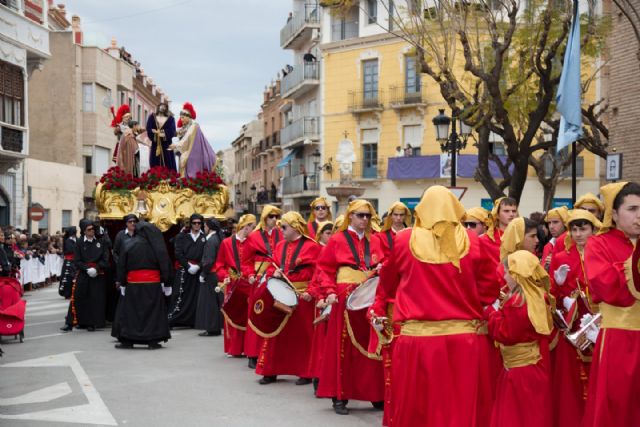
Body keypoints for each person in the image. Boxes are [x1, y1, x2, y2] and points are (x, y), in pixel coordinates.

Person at [377, 186, 492, 426]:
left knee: (416, 409)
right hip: (465, 341)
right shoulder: (472, 240)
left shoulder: (404, 240)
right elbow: (489, 288)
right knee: (461, 409)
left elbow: (388, 284)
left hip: (417, 342)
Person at [316, 199, 385, 415]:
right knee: (342, 347)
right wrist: (328, 292)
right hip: (344, 297)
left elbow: (383, 264)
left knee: (372, 344)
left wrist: (382, 268)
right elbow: (325, 269)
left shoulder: (375, 241)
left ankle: (375, 393)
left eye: (367, 215)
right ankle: (339, 395)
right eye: (360, 215)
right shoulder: (337, 240)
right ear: (350, 217)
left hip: (369, 295)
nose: (364, 219)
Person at [583, 182, 640, 427]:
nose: (639, 215)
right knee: (616, 406)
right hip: (619, 337)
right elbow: (604, 285)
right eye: (633, 208)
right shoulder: (599, 244)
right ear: (614, 214)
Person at [487, 250, 553, 427]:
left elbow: (505, 334)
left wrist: (492, 314)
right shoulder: (538, 296)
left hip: (520, 371)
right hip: (532, 364)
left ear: (517, 275)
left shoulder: (518, 303)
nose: (505, 276)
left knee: (517, 415)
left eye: (508, 272)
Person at [255, 211, 321, 385]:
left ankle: (305, 372)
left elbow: (319, 273)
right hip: (281, 294)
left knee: (303, 335)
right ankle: (270, 370)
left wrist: (312, 292)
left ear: (295, 227)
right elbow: (271, 267)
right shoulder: (280, 246)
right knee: (275, 333)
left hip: (302, 296)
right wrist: (273, 272)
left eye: (284, 227)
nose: (281, 230)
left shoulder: (312, 247)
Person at [548, 210, 601, 427]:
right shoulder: (561, 257)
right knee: (571, 384)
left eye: (583, 229)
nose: (579, 234)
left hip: (599, 325)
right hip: (573, 330)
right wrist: (558, 285)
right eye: (575, 230)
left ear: (593, 230)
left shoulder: (601, 255)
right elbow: (552, 298)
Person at [113, 221, 172, 349]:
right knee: (152, 313)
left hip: (133, 284)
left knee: (131, 313)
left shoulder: (128, 244)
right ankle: (152, 340)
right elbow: (165, 265)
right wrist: (166, 282)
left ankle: (128, 340)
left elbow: (121, 265)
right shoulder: (157, 246)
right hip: (153, 284)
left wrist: (122, 282)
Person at [242, 205, 283, 369]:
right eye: (271, 216)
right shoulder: (253, 236)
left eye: (277, 216)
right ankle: (252, 353)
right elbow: (246, 261)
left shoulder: (282, 234)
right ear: (265, 217)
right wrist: (250, 274)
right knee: (256, 313)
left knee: (275, 314)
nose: (274, 219)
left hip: (277, 278)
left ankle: (273, 354)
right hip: (259, 278)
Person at [216, 214, 256, 356]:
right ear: (245, 227)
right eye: (252, 227)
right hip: (232, 283)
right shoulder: (226, 243)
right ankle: (234, 348)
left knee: (247, 315)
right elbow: (219, 265)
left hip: (248, 284)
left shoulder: (253, 243)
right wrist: (225, 276)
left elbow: (254, 263)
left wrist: (252, 275)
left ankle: (247, 348)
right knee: (232, 314)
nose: (254, 230)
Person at [61, 220, 109, 332]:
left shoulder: (101, 242)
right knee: (77, 296)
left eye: (93, 229)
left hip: (97, 274)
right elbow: (76, 260)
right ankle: (70, 322)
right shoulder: (79, 243)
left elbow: (105, 259)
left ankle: (91, 323)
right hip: (83, 273)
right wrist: (87, 269)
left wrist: (96, 269)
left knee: (95, 299)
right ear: (84, 231)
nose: (92, 231)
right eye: (89, 229)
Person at [168, 214, 206, 328]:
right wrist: (188, 266)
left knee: (195, 295)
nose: (197, 225)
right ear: (191, 223)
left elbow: (207, 255)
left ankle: (192, 320)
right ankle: (174, 319)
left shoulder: (204, 238)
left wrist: (199, 266)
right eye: (194, 223)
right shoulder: (182, 236)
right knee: (179, 294)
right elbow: (178, 253)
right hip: (184, 269)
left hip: (198, 270)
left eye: (199, 223)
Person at [169, 102, 216, 178]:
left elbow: (186, 138)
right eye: (181, 117)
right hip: (189, 150)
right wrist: (164, 133)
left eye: (183, 117)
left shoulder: (194, 126)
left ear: (188, 117)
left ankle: (188, 180)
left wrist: (176, 145)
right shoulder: (185, 127)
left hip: (196, 152)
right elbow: (175, 133)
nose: (181, 120)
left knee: (183, 158)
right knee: (182, 157)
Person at [195, 218, 224, 336]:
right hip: (216, 274)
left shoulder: (211, 241)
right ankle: (215, 327)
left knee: (210, 303)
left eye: (205, 226)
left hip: (211, 274)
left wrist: (203, 273)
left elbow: (209, 260)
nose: (204, 228)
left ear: (209, 227)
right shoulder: (217, 238)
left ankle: (212, 328)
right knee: (215, 302)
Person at [146, 102, 177, 171]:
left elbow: (172, 130)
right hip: (156, 144)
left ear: (166, 109)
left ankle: (169, 178)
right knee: (154, 161)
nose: (162, 108)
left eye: (164, 107)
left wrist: (163, 133)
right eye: (161, 106)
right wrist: (154, 133)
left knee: (168, 162)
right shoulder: (152, 117)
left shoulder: (170, 119)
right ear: (158, 107)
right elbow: (148, 128)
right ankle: (155, 177)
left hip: (166, 144)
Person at [541, 206, 569, 271]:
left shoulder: (573, 243)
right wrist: (546, 267)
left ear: (565, 223)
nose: (551, 226)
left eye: (555, 222)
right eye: (549, 223)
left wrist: (556, 263)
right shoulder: (547, 246)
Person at [58, 226, 77, 299]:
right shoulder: (68, 240)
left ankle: (73, 292)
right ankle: (67, 292)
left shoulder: (76, 239)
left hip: (74, 261)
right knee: (68, 277)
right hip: (69, 261)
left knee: (74, 276)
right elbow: (69, 250)